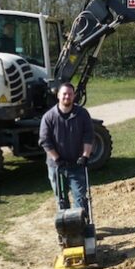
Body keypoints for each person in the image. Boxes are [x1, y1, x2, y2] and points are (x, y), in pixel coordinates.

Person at [39, 82, 94, 212]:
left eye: (70, 94)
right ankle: (66, 227)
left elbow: (88, 136)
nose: (67, 97)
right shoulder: (49, 117)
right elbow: (45, 141)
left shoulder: (82, 114)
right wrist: (57, 159)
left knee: (80, 198)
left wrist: (85, 156)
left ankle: (81, 224)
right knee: (61, 200)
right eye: (64, 94)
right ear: (58, 95)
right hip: (57, 166)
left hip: (77, 165)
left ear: (74, 96)